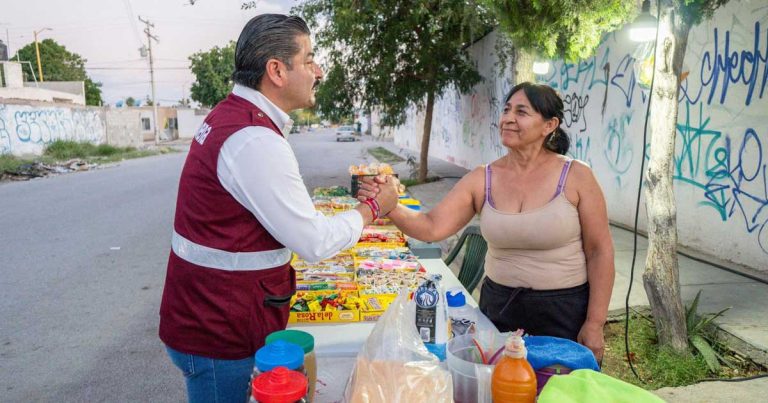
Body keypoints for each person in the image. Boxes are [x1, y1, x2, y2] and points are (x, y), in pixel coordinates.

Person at [159, 14, 399, 402]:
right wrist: (374, 206)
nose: (317, 71)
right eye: (308, 59)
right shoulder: (254, 139)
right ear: (277, 70)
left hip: (213, 314)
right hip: (220, 330)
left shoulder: (234, 116)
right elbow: (314, 242)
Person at [361, 82, 614, 361]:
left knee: (559, 392)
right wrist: (391, 206)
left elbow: (599, 251)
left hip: (563, 312)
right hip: (499, 310)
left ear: (549, 125)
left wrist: (594, 323)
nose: (508, 118)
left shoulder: (577, 176)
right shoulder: (483, 178)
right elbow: (432, 227)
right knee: (499, 389)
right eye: (506, 110)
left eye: (521, 111)